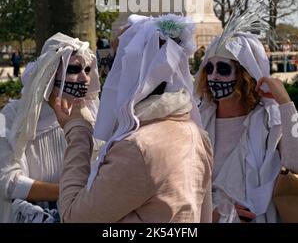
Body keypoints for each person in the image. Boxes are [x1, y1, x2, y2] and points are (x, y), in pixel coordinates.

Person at [53, 14, 213, 223]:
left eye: (114, 62)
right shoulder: (195, 132)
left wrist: (78, 132)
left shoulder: (138, 147)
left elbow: (74, 218)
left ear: (130, 71)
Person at [196, 18, 298, 223]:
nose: (213, 76)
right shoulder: (197, 122)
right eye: (209, 69)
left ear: (245, 74)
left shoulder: (270, 122)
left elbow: (297, 163)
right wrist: (212, 216)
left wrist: (285, 103)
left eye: (223, 69)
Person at [0, 33, 100, 223]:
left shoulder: (91, 115)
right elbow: (7, 181)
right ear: (50, 72)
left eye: (87, 70)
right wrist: (72, 192)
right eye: (74, 69)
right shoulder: (9, 116)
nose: (84, 78)